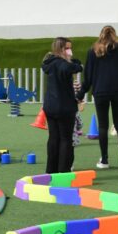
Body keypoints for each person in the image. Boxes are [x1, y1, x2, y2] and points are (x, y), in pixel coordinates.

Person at [78, 26, 118, 169]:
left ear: (101, 35)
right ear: (114, 34)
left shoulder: (94, 50)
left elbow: (88, 76)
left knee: (103, 126)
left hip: (100, 91)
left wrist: (81, 93)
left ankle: (104, 160)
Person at [41, 37, 82, 174]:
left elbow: (72, 64)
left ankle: (50, 169)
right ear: (61, 49)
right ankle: (63, 170)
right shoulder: (62, 64)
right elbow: (73, 67)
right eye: (67, 48)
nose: (70, 51)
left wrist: (73, 62)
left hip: (50, 105)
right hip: (64, 106)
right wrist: (78, 65)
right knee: (65, 139)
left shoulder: (50, 63)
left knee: (53, 137)